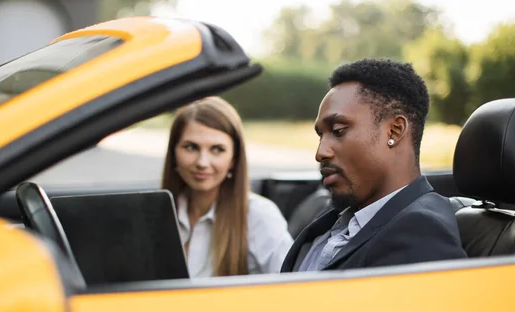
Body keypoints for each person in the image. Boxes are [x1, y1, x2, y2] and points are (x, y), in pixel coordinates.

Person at [281, 58, 467, 273]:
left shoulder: (421, 232)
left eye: (339, 131)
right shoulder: (339, 217)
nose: (320, 152)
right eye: (321, 135)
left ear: (394, 131)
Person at [161, 96, 293, 278]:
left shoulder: (259, 215)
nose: (202, 162)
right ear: (174, 152)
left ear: (233, 159)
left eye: (217, 149)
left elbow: (293, 288)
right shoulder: (159, 213)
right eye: (191, 147)